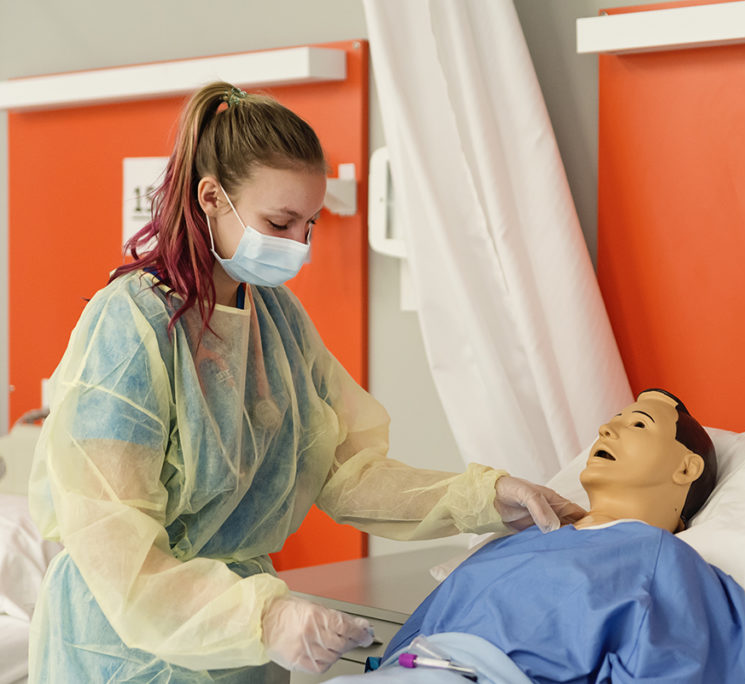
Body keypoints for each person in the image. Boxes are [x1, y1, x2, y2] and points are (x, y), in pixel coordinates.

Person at [26, 82, 583, 684]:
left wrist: (483, 498)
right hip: (126, 645)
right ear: (211, 197)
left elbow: (345, 473)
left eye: (309, 224)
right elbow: (116, 548)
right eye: (281, 222)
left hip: (237, 636)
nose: (300, 247)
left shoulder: (277, 320)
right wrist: (266, 619)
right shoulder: (129, 327)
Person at [354, 388, 745, 683]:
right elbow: (408, 638)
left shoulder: (665, 561)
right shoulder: (515, 539)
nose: (607, 428)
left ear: (686, 469)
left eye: (638, 424)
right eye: (615, 417)